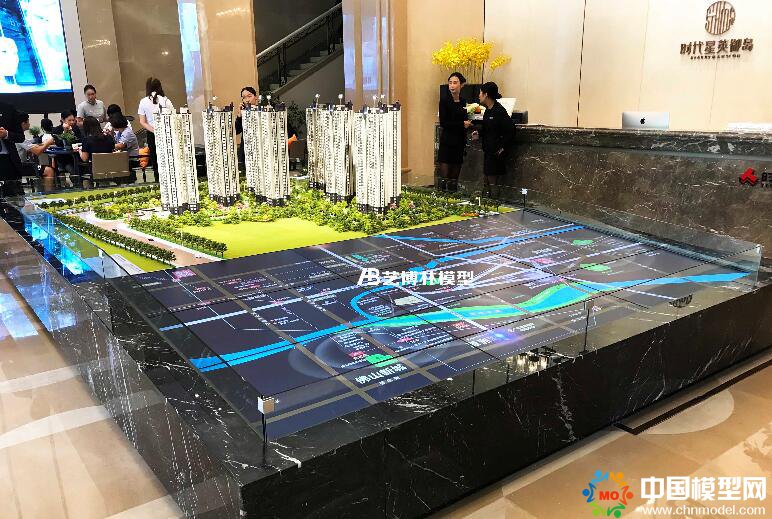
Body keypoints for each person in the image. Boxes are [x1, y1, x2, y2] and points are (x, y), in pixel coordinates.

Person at [472, 82, 515, 198]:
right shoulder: (488, 110)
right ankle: (487, 202)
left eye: (480, 93)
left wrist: (502, 148)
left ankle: (494, 202)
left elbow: (511, 131)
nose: (479, 95)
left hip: (496, 152)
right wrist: (479, 133)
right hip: (488, 150)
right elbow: (487, 128)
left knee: (492, 181)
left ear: (486, 94)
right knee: (486, 180)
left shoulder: (499, 111)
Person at [437, 71, 473, 193]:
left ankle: (453, 199)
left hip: (459, 142)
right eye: (450, 83)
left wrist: (468, 124)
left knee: (454, 178)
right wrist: (462, 124)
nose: (452, 85)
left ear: (461, 85)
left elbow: (465, 119)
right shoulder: (444, 101)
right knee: (444, 178)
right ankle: (442, 199)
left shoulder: (463, 101)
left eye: (455, 83)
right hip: (447, 142)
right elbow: (444, 123)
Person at [138, 77, 174, 174]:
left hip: (152, 133)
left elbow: (142, 121)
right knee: (168, 158)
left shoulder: (143, 101)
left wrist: (154, 130)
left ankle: (157, 178)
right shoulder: (166, 100)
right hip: (166, 132)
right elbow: (173, 117)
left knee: (155, 159)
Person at [16, 112, 56, 178]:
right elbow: (38, 152)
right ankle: (48, 185)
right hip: (22, 166)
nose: (29, 124)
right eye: (28, 121)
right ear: (23, 123)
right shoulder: (19, 137)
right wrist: (48, 143)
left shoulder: (16, 135)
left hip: (21, 164)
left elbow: (32, 146)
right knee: (49, 170)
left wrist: (42, 144)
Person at [0, 102, 26, 196]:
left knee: (13, 198)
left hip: (7, 161)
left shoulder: (8, 109)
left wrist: (6, 134)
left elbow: (20, 137)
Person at [235, 86, 258, 165]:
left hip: (259, 149)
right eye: (244, 97)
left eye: (249, 96)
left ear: (255, 97)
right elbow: (236, 131)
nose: (247, 99)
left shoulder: (262, 112)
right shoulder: (243, 114)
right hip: (246, 151)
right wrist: (239, 116)